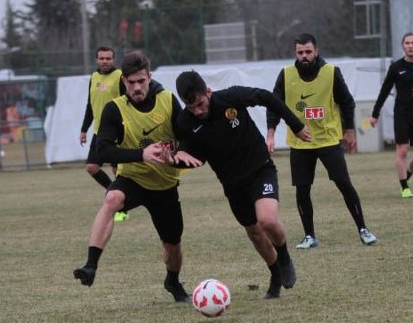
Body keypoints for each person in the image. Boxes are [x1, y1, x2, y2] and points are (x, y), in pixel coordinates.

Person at [172, 70, 311, 299]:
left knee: (266, 219)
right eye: (192, 108)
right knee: (255, 232)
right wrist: (181, 155)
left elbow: (266, 97)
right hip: (232, 185)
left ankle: (284, 258)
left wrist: (295, 124)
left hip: (260, 170)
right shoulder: (186, 121)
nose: (199, 111)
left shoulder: (231, 97)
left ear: (208, 92)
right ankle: (275, 273)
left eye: (201, 104)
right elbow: (196, 154)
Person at [73, 51, 190, 302]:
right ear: (124, 82)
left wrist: (175, 155)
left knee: (172, 245)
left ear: (149, 77)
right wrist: (142, 154)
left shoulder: (168, 100)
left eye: (141, 81)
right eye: (131, 82)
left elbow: (187, 138)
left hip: (165, 184)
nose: (136, 87)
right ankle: (90, 265)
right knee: (112, 198)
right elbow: (103, 150)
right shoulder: (114, 109)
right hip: (133, 179)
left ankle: (172, 281)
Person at [265, 33, 379, 250]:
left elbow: (347, 103)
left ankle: (363, 229)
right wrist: (270, 134)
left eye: (308, 52)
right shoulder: (286, 75)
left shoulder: (331, 72)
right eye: (300, 53)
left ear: (316, 51)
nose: (305, 56)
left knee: (344, 184)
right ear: (295, 54)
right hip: (300, 143)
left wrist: (350, 131)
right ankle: (309, 236)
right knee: (302, 189)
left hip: (328, 140)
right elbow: (274, 105)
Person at [370, 32, 413, 198]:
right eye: (407, 43)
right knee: (402, 151)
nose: (410, 46)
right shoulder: (396, 67)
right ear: (403, 46)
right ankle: (404, 188)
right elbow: (384, 91)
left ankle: (406, 175)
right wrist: (375, 114)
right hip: (401, 114)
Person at [80, 46, 129, 221]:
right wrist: (84, 129)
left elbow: (127, 103)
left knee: (118, 172)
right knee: (91, 168)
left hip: (115, 131)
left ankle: (122, 208)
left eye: (108, 58)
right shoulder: (93, 77)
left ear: (113, 60)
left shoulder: (119, 77)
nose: (105, 61)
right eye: (102, 58)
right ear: (96, 60)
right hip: (97, 132)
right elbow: (90, 105)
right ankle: (112, 193)